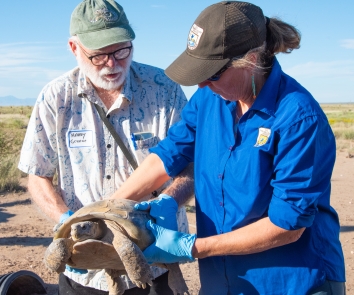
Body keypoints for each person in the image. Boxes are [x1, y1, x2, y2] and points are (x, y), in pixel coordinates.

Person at [111, 1, 346, 294]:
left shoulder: (298, 118)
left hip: (290, 279)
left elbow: (288, 225)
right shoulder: (210, 99)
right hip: (222, 279)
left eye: (212, 73)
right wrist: (107, 209)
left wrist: (190, 247)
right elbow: (169, 155)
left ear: (250, 60)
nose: (201, 85)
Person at [17, 0, 193, 294]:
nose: (112, 63)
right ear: (75, 48)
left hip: (154, 259)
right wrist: (65, 221)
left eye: (122, 50)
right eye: (98, 55)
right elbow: (37, 175)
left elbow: (190, 163)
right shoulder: (55, 99)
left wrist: (170, 200)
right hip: (85, 271)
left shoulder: (164, 89)